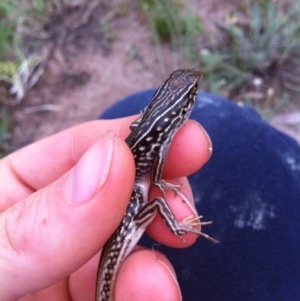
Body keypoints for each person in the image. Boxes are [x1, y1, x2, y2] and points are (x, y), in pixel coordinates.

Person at [1, 88, 299, 301]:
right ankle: (177, 228)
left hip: (121, 216)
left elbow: (150, 161)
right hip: (127, 220)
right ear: (181, 111)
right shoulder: (158, 135)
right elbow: (154, 173)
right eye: (190, 96)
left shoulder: (151, 128)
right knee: (156, 201)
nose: (194, 96)